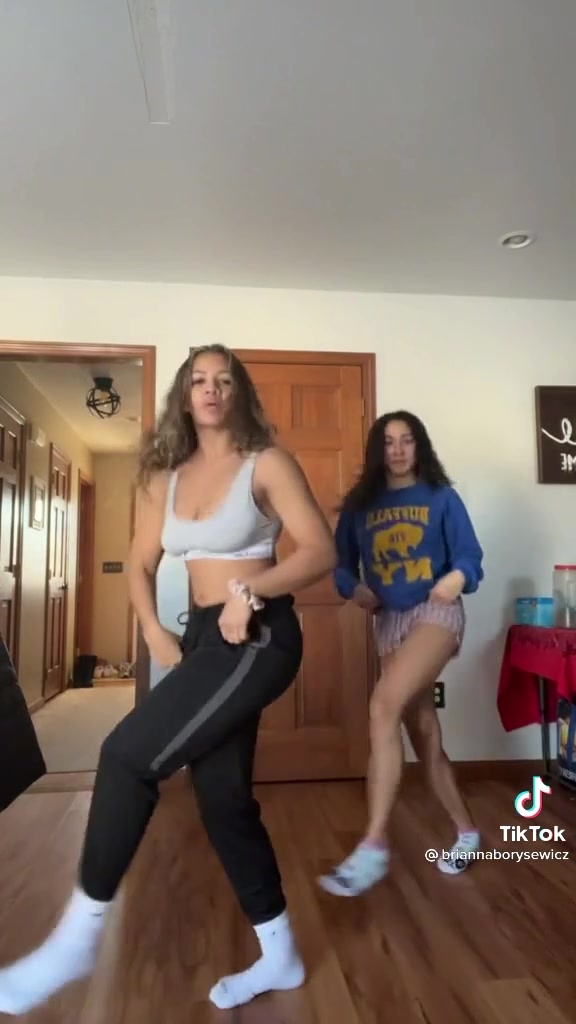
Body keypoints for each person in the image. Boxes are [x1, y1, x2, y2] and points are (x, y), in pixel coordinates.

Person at [0, 344, 337, 1016]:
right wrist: (154, 630)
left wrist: (254, 590)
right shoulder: (167, 476)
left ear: (239, 394)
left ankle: (77, 938)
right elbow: (140, 562)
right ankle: (281, 954)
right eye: (199, 380)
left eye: (224, 380)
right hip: (205, 635)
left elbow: (320, 550)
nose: (211, 390)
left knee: (125, 756)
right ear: (185, 394)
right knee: (222, 797)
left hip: (258, 632)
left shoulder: (266, 462)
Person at [318, 411, 483, 898]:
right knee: (423, 731)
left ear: (419, 446)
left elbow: (470, 555)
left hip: (435, 611)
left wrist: (457, 578)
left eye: (407, 440)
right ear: (378, 449)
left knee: (382, 705)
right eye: (388, 442)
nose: (397, 450)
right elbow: (341, 565)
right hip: (389, 622)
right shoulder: (361, 506)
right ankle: (467, 832)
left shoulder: (440, 497)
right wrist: (354, 589)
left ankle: (372, 846)